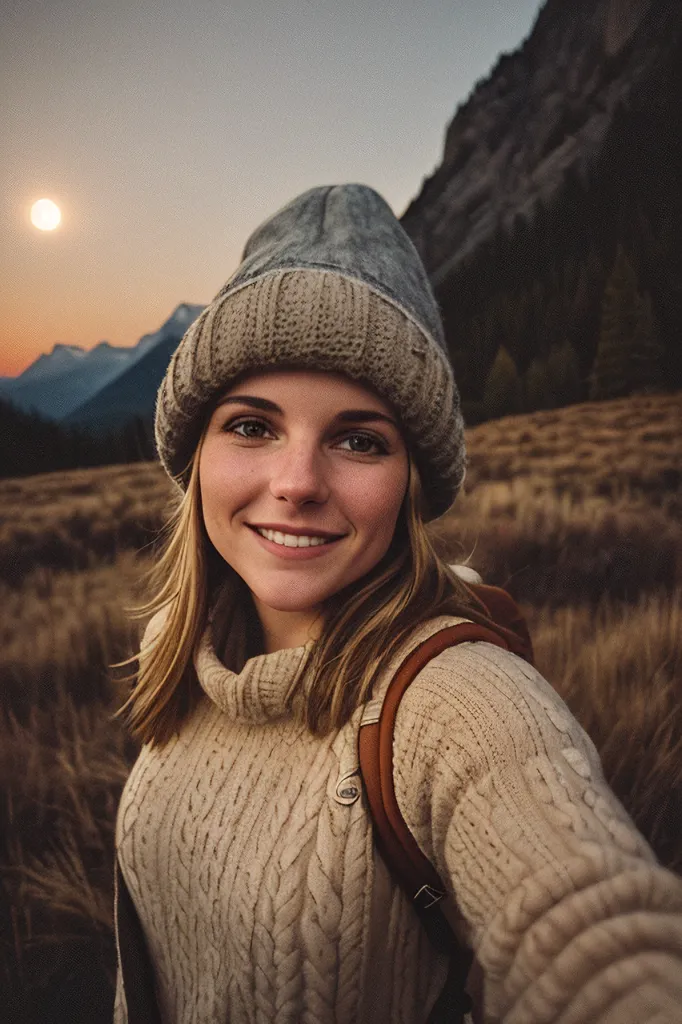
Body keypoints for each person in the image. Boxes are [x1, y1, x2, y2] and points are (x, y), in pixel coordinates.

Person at [112, 184, 682, 1024]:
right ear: (195, 453)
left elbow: (593, 934)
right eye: (252, 426)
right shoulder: (180, 657)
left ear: (411, 484)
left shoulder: (460, 702)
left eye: (358, 440)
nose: (298, 483)